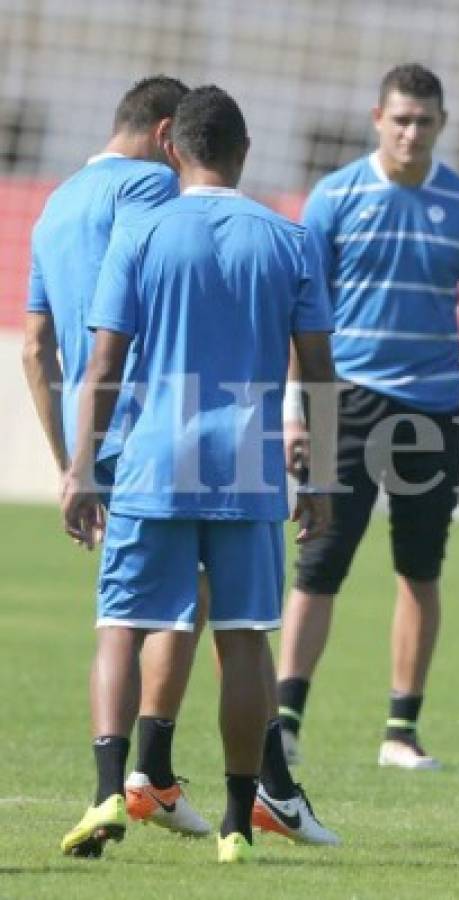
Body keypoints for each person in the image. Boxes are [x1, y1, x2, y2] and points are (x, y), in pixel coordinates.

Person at [60, 86, 338, 863]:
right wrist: (316, 481)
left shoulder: (140, 232)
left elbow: (106, 365)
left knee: (123, 622)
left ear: (172, 150)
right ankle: (238, 824)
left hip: (154, 457)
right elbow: (318, 374)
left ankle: (110, 789)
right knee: (245, 636)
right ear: (244, 153)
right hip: (248, 462)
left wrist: (83, 467)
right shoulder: (289, 241)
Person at [276, 62, 459, 770]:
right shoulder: (334, 197)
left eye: (424, 121)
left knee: (419, 570)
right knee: (319, 564)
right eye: (400, 118)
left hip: (434, 405)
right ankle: (284, 720)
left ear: (442, 124)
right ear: (378, 117)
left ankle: (399, 732)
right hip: (346, 401)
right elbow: (304, 314)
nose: (410, 131)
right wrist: (297, 411)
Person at [23, 75, 214, 841]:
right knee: (180, 598)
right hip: (162, 425)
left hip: (100, 439)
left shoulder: (56, 203)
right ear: (169, 133)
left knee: (147, 601)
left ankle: (146, 779)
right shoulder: (151, 190)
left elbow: (37, 349)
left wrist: (75, 459)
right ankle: (141, 779)